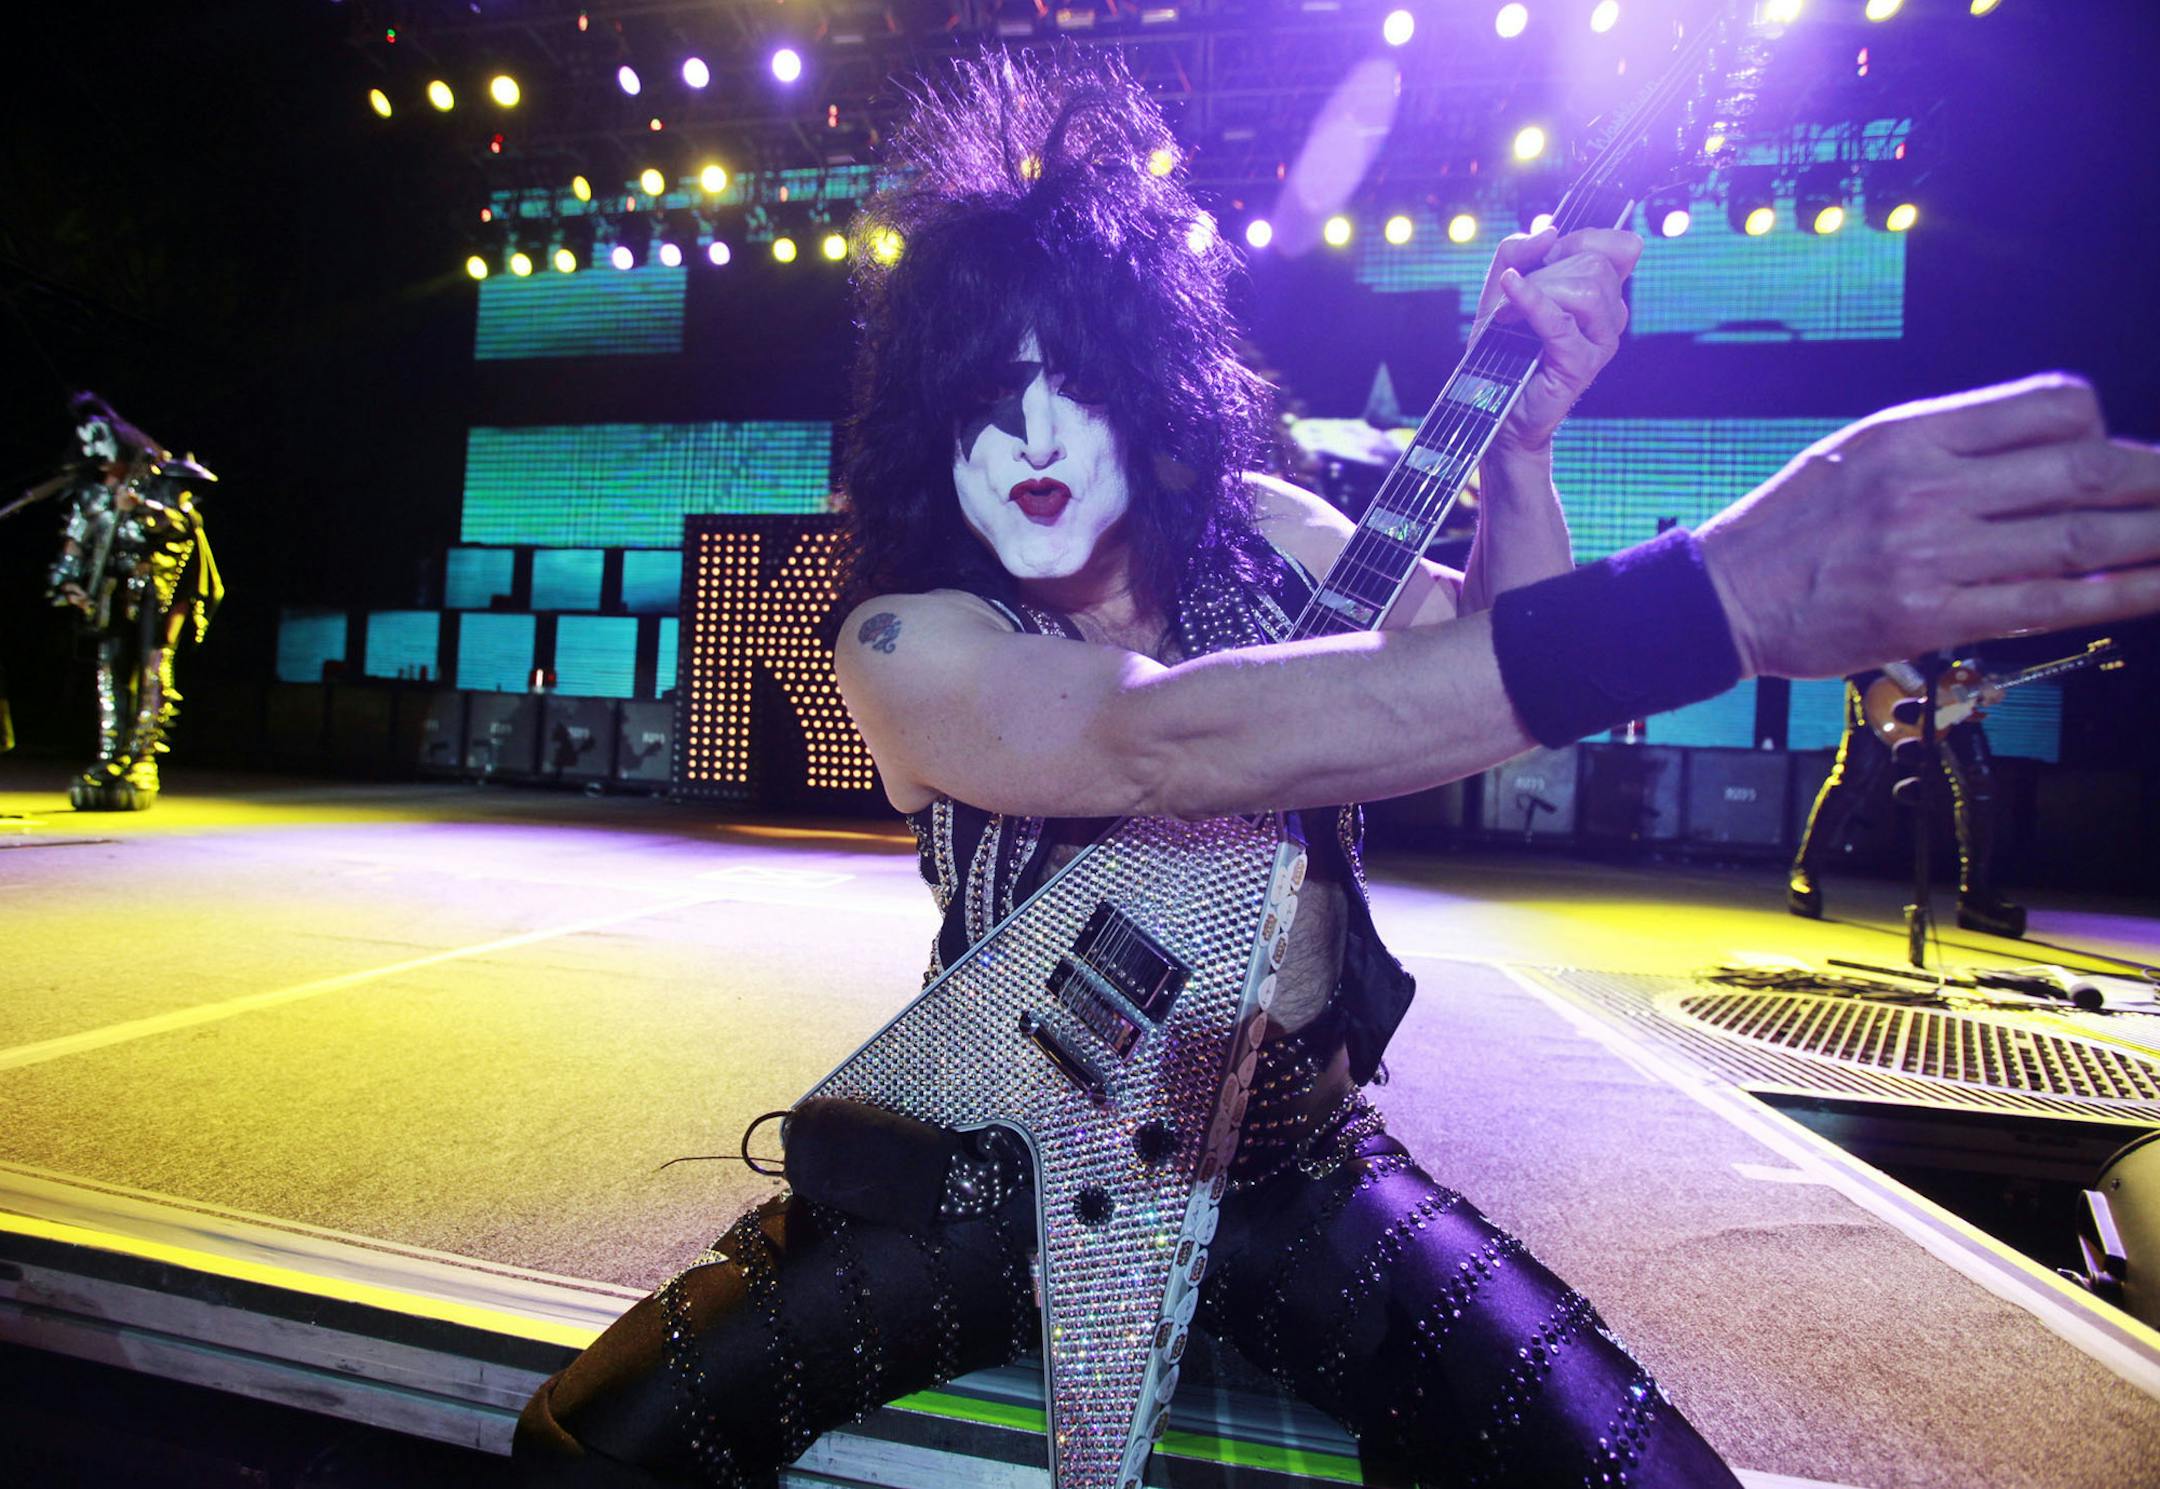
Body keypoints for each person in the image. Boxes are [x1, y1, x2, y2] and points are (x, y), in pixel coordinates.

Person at [514, 51, 2160, 1488]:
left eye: (1068, 382)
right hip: (984, 1164)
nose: (1024, 437)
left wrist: (1524, 455)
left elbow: (1496, 667)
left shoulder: (1293, 540)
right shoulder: (905, 634)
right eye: (978, 399)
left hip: (1294, 1159)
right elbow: (1152, 731)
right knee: (593, 1437)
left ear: (1151, 394)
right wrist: (1719, 596)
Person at [42, 392, 222, 810]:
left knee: (153, 672)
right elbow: (72, 549)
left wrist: (140, 507)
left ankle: (142, 760)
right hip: (109, 596)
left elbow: (181, 524)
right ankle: (110, 757)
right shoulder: (92, 498)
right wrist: (67, 584)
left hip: (156, 597)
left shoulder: (159, 485)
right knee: (110, 674)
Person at [1789, 658, 2022, 937]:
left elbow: (1969, 646)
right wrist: (1919, 687)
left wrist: (1980, 681)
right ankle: (1806, 872)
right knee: (1855, 776)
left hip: (1944, 682)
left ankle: (1976, 894)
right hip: (1885, 677)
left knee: (1978, 782)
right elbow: (1879, 634)